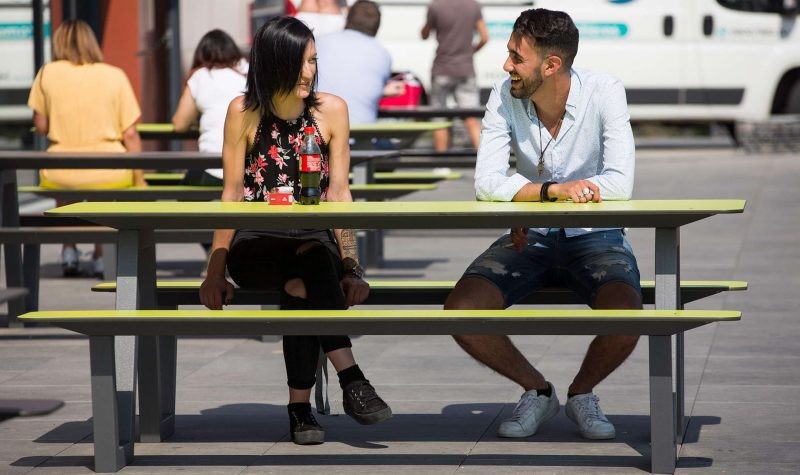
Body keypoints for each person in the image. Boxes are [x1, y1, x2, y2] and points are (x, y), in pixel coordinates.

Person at [444, 8, 641, 441]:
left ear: (551, 66)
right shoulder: (504, 94)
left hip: (596, 235)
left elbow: (620, 183)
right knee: (461, 311)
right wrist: (551, 193)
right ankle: (538, 390)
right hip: (528, 231)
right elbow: (486, 183)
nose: (506, 65)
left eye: (516, 57)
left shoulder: (604, 90)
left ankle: (582, 394)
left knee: (629, 314)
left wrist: (527, 193)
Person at [198, 16, 392, 445]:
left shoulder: (332, 111)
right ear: (276, 63)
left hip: (311, 242)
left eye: (314, 61)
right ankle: (352, 378)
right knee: (308, 266)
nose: (311, 72)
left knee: (304, 282)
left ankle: (301, 411)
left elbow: (340, 194)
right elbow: (231, 195)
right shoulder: (243, 112)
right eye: (303, 62)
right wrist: (215, 270)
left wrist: (352, 265)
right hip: (257, 246)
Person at [27, 19, 145, 278]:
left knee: (66, 189)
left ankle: (68, 250)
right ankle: (101, 256)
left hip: (61, 168)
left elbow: (42, 125)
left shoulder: (48, 73)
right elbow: (130, 133)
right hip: (109, 167)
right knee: (102, 196)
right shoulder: (114, 75)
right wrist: (140, 179)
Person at [172, 29, 247, 185]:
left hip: (211, 167)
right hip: (246, 168)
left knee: (182, 199)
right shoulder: (248, 73)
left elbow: (179, 124)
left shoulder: (201, 76)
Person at [316, 0, 404, 126]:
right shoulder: (382, 53)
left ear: (348, 19)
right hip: (361, 135)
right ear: (377, 27)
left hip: (318, 132)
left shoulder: (319, 42)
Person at [421, 0, 488, 151]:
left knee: (439, 118)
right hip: (466, 69)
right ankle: (482, 164)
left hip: (442, 69)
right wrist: (471, 52)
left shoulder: (436, 6)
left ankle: (441, 165)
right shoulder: (473, 5)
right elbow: (484, 37)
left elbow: (424, 34)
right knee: (471, 117)